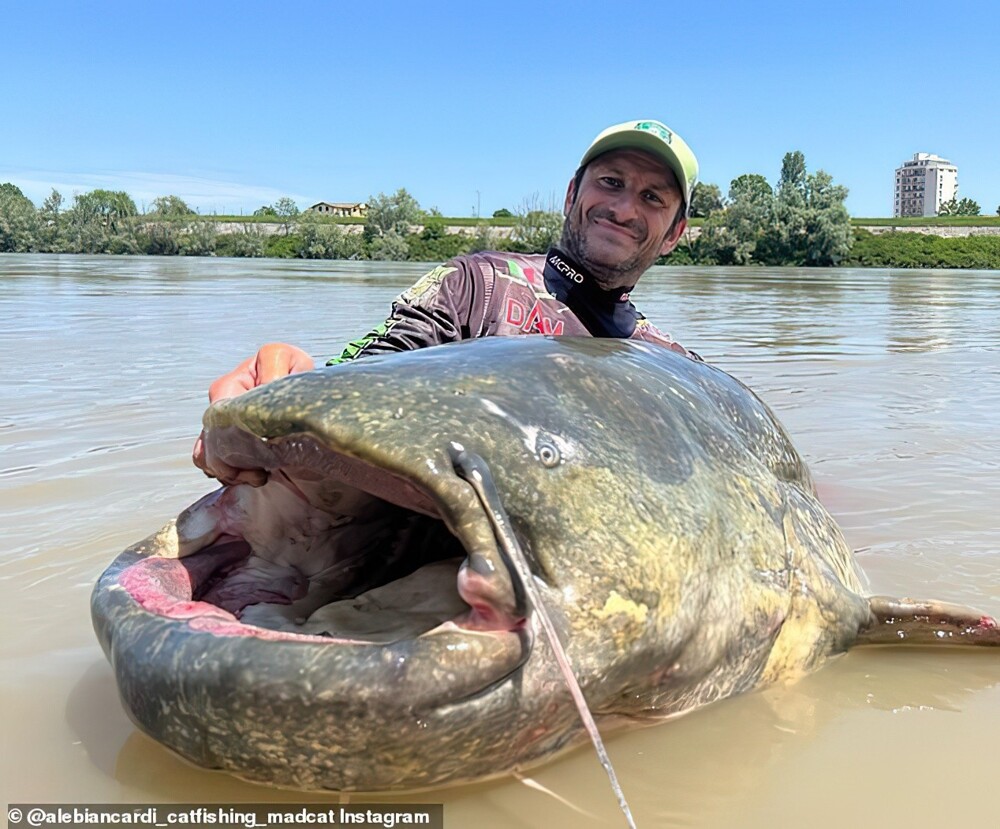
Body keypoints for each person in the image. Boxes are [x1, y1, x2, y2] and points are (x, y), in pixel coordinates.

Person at [194, 119, 700, 485]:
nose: (623, 207)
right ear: (572, 195)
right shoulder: (476, 284)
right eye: (611, 182)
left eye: (653, 197)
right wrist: (296, 382)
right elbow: (372, 370)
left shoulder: (677, 369)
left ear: (676, 232)